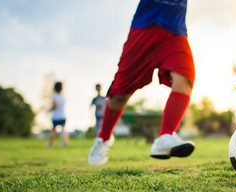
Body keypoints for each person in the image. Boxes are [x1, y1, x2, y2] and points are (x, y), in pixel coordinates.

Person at [88, 0, 195, 165]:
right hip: (145, 26)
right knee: (119, 94)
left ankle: (165, 136)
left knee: (185, 76)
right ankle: (103, 138)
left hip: (175, 31)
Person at [47, 82, 69, 147]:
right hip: (63, 115)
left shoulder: (54, 96)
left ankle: (51, 143)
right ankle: (66, 142)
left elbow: (55, 106)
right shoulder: (63, 97)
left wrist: (49, 110)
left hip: (56, 116)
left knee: (53, 130)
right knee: (63, 129)